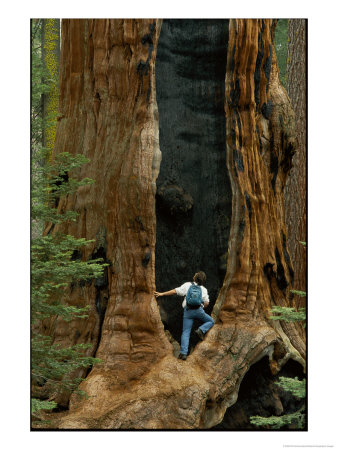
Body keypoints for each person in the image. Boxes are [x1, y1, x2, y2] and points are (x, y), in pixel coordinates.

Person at [154, 271, 214, 360]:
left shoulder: (187, 285)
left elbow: (175, 291)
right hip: (198, 311)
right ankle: (201, 330)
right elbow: (207, 303)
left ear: (195, 277)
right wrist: (201, 307)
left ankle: (183, 354)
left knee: (186, 332)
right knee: (211, 321)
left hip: (188, 312)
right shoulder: (204, 289)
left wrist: (162, 294)